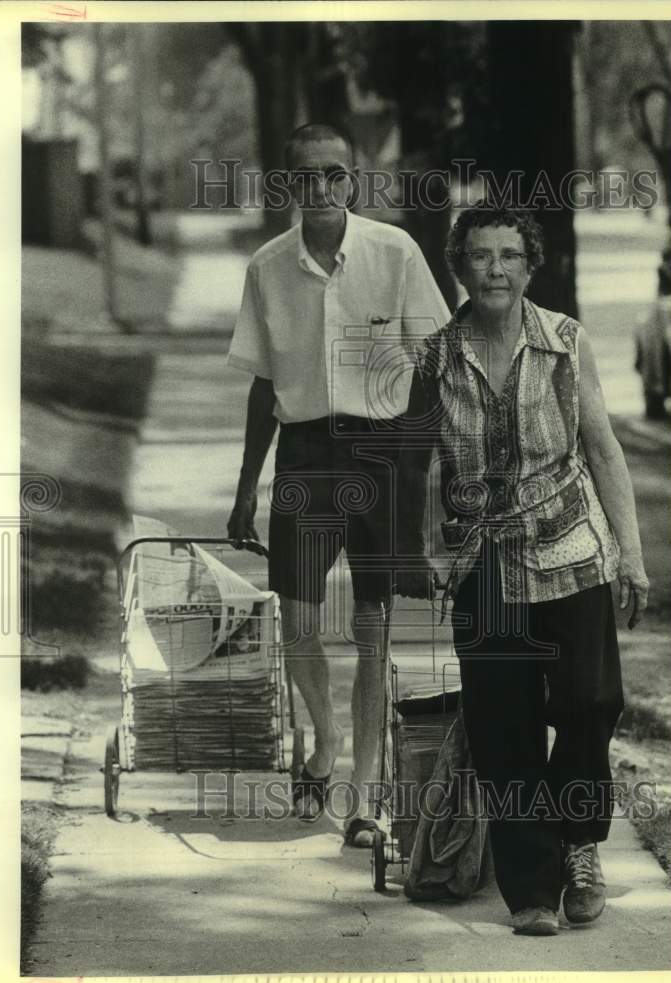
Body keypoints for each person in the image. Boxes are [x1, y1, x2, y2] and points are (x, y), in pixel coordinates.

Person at [396, 204, 648, 934]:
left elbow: (601, 447)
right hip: (486, 559)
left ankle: (580, 847)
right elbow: (415, 465)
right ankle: (532, 887)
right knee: (504, 725)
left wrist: (629, 552)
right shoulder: (437, 357)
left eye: (510, 255)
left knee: (589, 703)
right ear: (460, 266)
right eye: (481, 256)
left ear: (531, 266)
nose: (496, 269)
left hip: (573, 547)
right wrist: (421, 552)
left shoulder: (566, 340)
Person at [227, 123, 451, 846]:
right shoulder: (267, 267)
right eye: (304, 177)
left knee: (374, 627)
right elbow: (264, 385)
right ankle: (324, 742)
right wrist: (244, 490)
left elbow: (435, 369)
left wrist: (426, 485)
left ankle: (363, 794)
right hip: (305, 451)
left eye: (333, 175)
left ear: (352, 180)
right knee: (297, 619)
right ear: (285, 184)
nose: (319, 189)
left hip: (382, 451)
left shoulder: (395, 252)